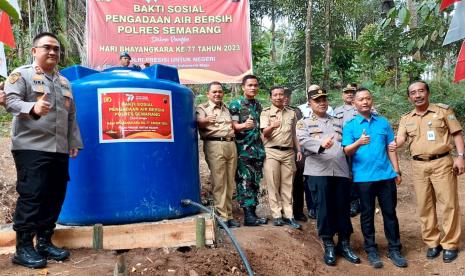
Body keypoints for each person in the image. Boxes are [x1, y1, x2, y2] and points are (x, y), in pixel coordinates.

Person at [4, 32, 83, 268]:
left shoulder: (64, 82)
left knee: (55, 195)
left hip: (58, 149)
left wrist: (73, 142)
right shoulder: (22, 75)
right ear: (34, 51)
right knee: (33, 196)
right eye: (47, 47)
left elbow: (71, 116)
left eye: (56, 49)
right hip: (31, 147)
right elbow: (10, 101)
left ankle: (45, 242)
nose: (53, 52)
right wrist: (33, 107)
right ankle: (23, 248)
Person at [395, 80, 464, 263]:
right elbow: (401, 138)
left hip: (442, 162)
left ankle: (450, 244)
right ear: (409, 97)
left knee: (449, 204)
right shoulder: (406, 118)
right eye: (413, 93)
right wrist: (394, 144)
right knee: (425, 206)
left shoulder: (443, 111)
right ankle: (433, 242)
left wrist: (460, 156)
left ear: (427, 93)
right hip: (418, 166)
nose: (417, 95)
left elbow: (456, 133)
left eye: (421, 91)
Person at [342, 88, 406, 269]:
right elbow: (346, 150)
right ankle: (371, 249)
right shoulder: (351, 125)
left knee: (390, 213)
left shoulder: (383, 123)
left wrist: (397, 171)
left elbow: (390, 148)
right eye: (361, 99)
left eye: (368, 98)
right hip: (363, 178)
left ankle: (394, 249)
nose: (365, 102)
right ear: (354, 103)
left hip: (385, 176)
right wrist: (358, 142)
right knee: (367, 215)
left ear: (372, 101)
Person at [296, 86, 359, 266]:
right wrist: (320, 144)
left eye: (324, 99)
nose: (322, 103)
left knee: (342, 207)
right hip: (318, 172)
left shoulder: (339, 122)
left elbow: (347, 143)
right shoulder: (304, 123)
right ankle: (329, 243)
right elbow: (303, 140)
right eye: (317, 100)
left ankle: (344, 243)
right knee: (324, 208)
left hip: (340, 170)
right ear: (310, 103)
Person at [196, 81, 240, 228]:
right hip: (214, 144)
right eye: (214, 92)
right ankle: (221, 217)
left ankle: (229, 215)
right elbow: (198, 122)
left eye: (220, 92)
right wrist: (206, 120)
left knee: (229, 181)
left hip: (231, 144)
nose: (217, 94)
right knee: (219, 181)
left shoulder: (226, 109)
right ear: (208, 94)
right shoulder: (203, 108)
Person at [260, 86, 302, 229]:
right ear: (270, 97)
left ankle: (289, 215)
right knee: (273, 184)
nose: (278, 97)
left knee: (288, 185)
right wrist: (272, 126)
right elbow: (264, 134)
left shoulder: (291, 113)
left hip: (288, 152)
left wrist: (299, 150)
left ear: (285, 96)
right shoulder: (265, 113)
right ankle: (277, 215)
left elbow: (294, 134)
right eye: (275, 95)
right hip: (271, 151)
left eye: (281, 95)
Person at [229, 75, 268, 226]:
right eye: (250, 85)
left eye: (255, 85)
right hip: (243, 150)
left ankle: (253, 213)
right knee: (244, 182)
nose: (253, 88)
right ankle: (248, 216)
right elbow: (232, 126)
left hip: (257, 150)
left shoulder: (258, 105)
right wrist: (243, 126)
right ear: (243, 87)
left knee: (255, 181)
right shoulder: (236, 104)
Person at [283, 88, 316, 221]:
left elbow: (301, 130)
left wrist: (300, 150)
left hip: (297, 151)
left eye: (287, 95)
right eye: (282, 95)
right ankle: (284, 211)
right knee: (283, 183)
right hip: (280, 150)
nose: (285, 98)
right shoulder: (270, 112)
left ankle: (298, 211)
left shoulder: (296, 111)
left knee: (298, 182)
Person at [334, 83, 360, 217]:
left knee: (359, 172)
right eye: (347, 92)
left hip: (363, 146)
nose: (350, 94)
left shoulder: (365, 108)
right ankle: (349, 200)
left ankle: (358, 200)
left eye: (352, 92)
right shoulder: (337, 111)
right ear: (342, 95)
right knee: (347, 173)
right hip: (345, 146)